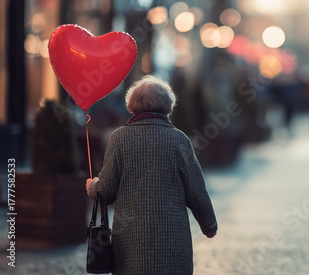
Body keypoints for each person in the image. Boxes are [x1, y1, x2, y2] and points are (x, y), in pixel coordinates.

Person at [86, 75, 217, 275]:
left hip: (130, 242)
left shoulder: (119, 139)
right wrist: (209, 225)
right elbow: (196, 190)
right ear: (167, 106)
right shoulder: (179, 140)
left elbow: (106, 191)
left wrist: (93, 186)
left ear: (132, 105)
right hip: (173, 240)